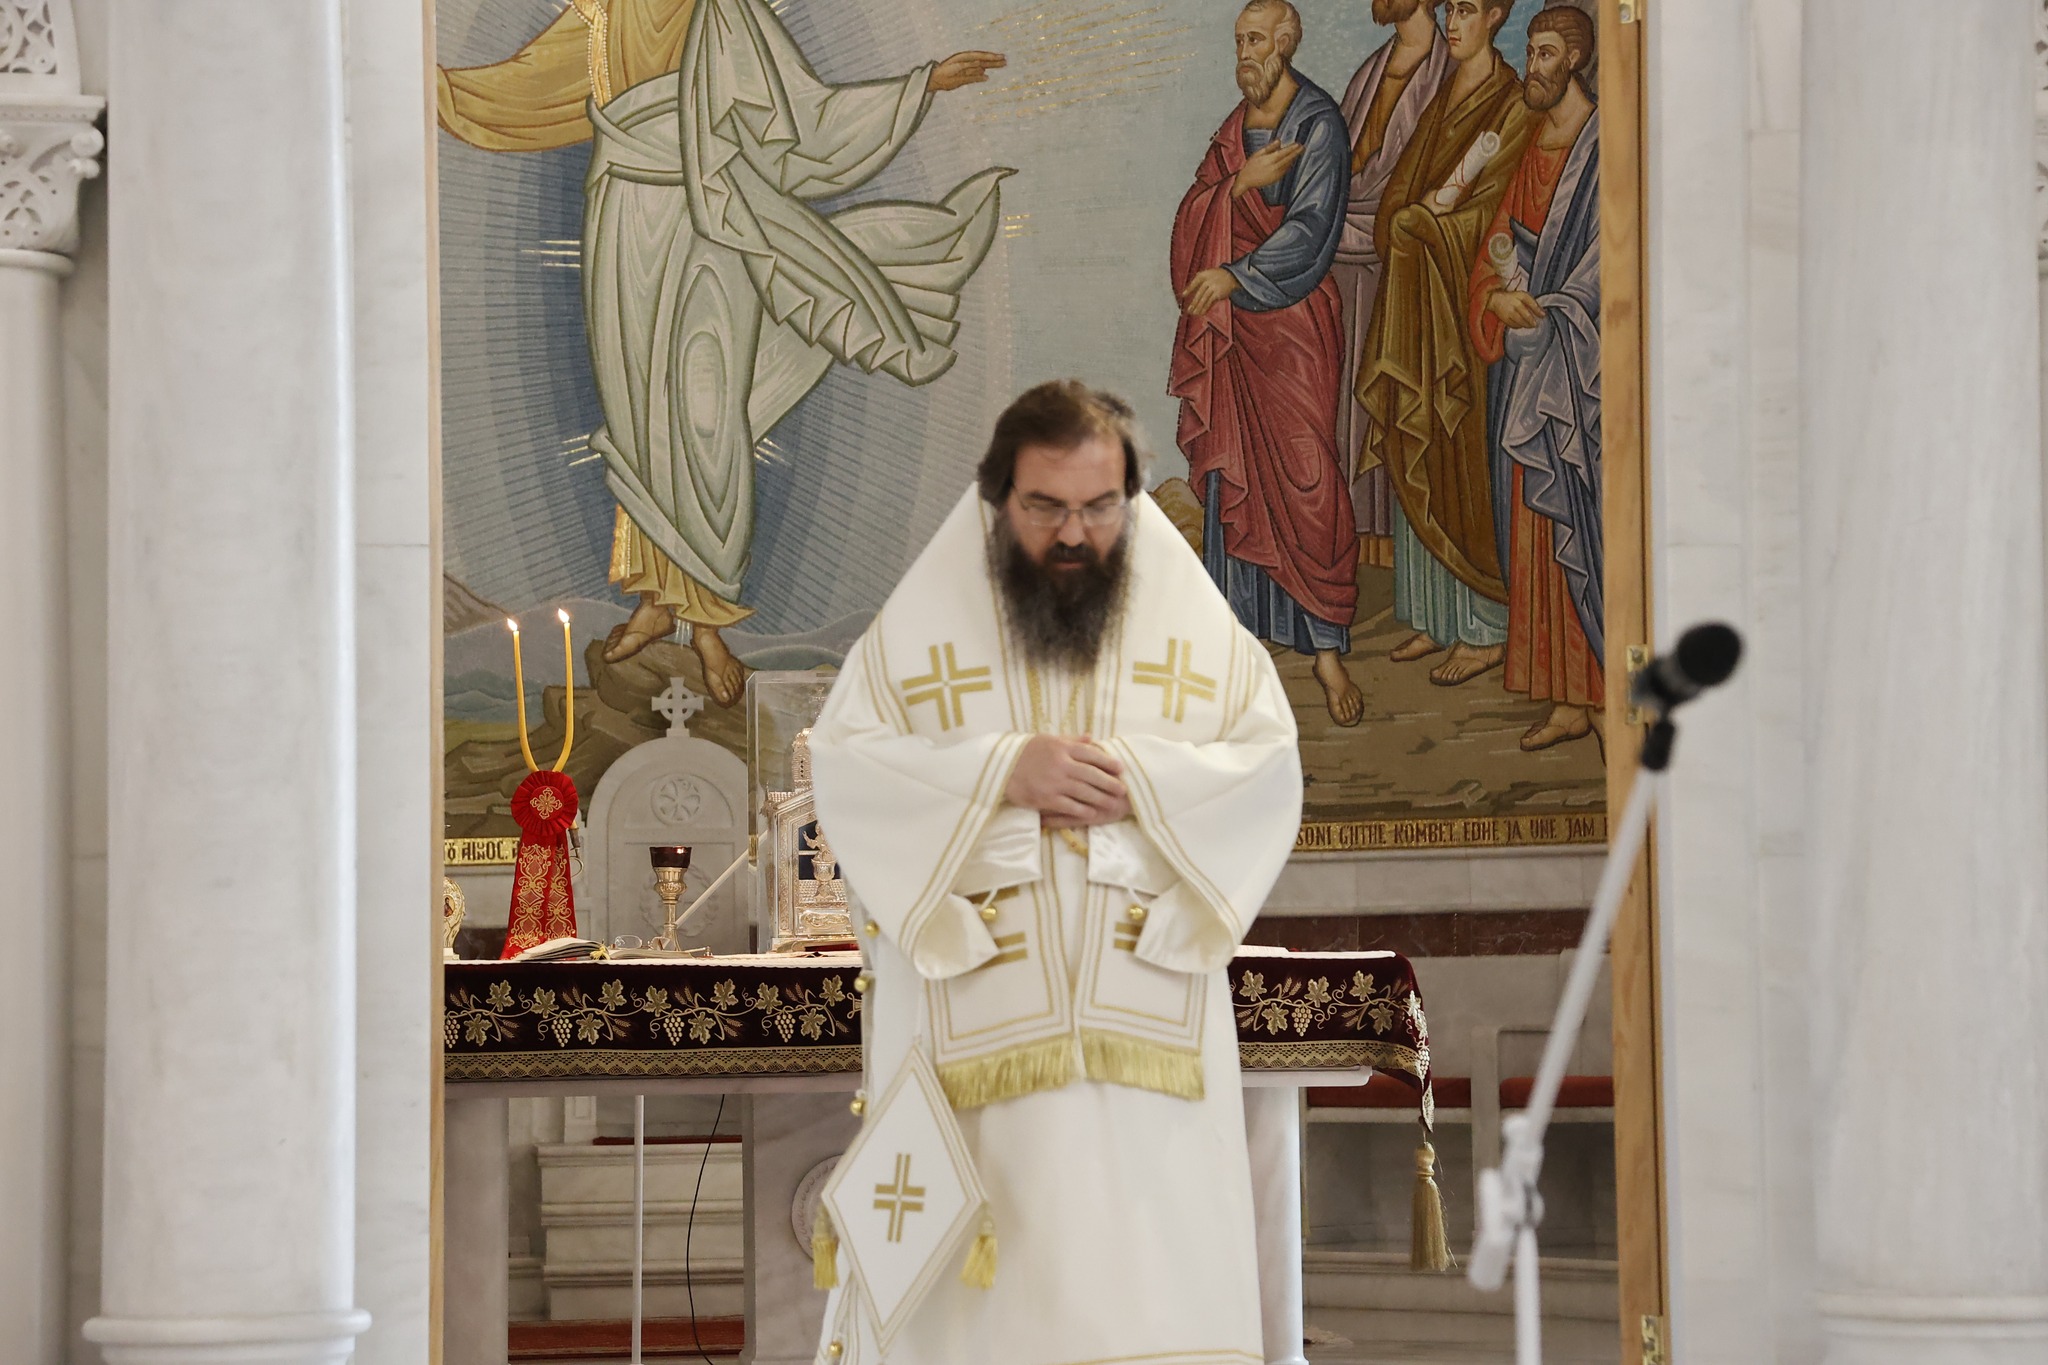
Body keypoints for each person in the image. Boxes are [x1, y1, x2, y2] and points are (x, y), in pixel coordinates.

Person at [808, 381, 1303, 1364]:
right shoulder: (923, 623)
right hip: (980, 1053)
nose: (1075, 533)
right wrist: (1001, 771)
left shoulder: (1192, 623)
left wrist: (1141, 786)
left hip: (1146, 1050)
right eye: (1045, 507)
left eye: (1099, 506)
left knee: (1145, 1292)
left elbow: (1266, 764)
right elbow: (849, 762)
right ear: (997, 499)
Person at [437, 0, 1007, 703]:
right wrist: (428, 88)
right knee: (642, 417)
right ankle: (657, 600)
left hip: (711, 219)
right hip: (622, 218)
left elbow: (803, 119)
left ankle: (706, 624)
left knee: (706, 418)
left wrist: (921, 86)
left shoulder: (725, 12)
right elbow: (522, 88)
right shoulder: (604, 15)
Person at [1170, 0, 1364, 726]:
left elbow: (1313, 231)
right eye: (1238, 41)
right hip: (1236, 338)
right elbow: (1193, 211)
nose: (1244, 53)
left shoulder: (1318, 124)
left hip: (1295, 329)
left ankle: (1327, 650)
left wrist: (1236, 275)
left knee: (1308, 476)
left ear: (1286, 44)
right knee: (1237, 478)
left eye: (1255, 40)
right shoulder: (1233, 131)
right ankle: (1237, 641)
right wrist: (1239, 186)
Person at [1355, 0, 1533, 686]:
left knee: (1459, 452)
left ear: (1494, 16)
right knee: (1419, 437)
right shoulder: (1444, 94)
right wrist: (1407, 222)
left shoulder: (1511, 104)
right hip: (1418, 303)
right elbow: (1403, 190)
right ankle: (1434, 617)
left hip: (1461, 311)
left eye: (1464, 10)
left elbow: (1493, 213)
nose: (1450, 23)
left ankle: (1484, 628)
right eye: (1448, 9)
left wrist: (1426, 227)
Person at [1467, 5, 1604, 752]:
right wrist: (1497, 294)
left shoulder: (1602, 145)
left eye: (1547, 53)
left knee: (1580, 520)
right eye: (1531, 51)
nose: (1534, 65)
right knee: (1537, 528)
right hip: (1529, 365)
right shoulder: (1533, 141)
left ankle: (1599, 689)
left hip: (1577, 370)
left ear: (1576, 59)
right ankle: (1564, 697)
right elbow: (1500, 239)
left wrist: (1554, 309)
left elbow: (1609, 260)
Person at [1334, 0, 1451, 563]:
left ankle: (1397, 545)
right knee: (1346, 401)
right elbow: (1344, 163)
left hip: (1405, 262)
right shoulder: (1372, 69)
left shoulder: (1449, 72)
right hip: (1344, 252)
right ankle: (1355, 537)